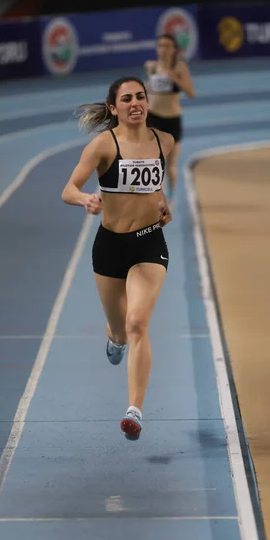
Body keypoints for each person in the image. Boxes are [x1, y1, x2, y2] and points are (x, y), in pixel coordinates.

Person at [61, 76, 175, 441]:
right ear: (114, 108)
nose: (136, 103)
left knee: (138, 322)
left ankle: (134, 411)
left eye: (140, 96)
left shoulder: (164, 141)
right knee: (120, 329)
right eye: (127, 99)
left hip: (149, 243)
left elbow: (153, 184)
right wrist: (86, 200)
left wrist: (162, 202)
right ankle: (116, 339)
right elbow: (69, 189)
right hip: (110, 246)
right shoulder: (102, 146)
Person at [144, 33, 196, 203]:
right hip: (153, 118)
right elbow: (148, 90)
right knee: (153, 160)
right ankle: (153, 194)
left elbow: (191, 93)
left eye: (167, 46)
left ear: (174, 49)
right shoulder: (152, 67)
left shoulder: (180, 68)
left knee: (170, 165)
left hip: (172, 120)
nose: (163, 49)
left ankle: (171, 194)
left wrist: (174, 77)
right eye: (160, 45)